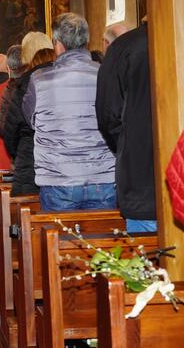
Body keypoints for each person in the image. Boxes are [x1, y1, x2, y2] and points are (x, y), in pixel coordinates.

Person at [22, 13, 116, 211]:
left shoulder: (40, 79)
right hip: (102, 177)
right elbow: (116, 120)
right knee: (103, 232)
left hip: (58, 177)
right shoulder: (105, 73)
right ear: (86, 41)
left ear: (57, 44)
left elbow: (31, 120)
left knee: (60, 232)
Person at [96, 23, 156, 232]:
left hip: (142, 182)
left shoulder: (124, 47)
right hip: (144, 185)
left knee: (147, 250)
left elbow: (108, 116)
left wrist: (127, 144)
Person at [0, 32, 55, 195]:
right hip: (61, 168)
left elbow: (10, 130)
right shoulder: (65, 77)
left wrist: (20, 152)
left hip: (30, 164)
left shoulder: (22, 84)